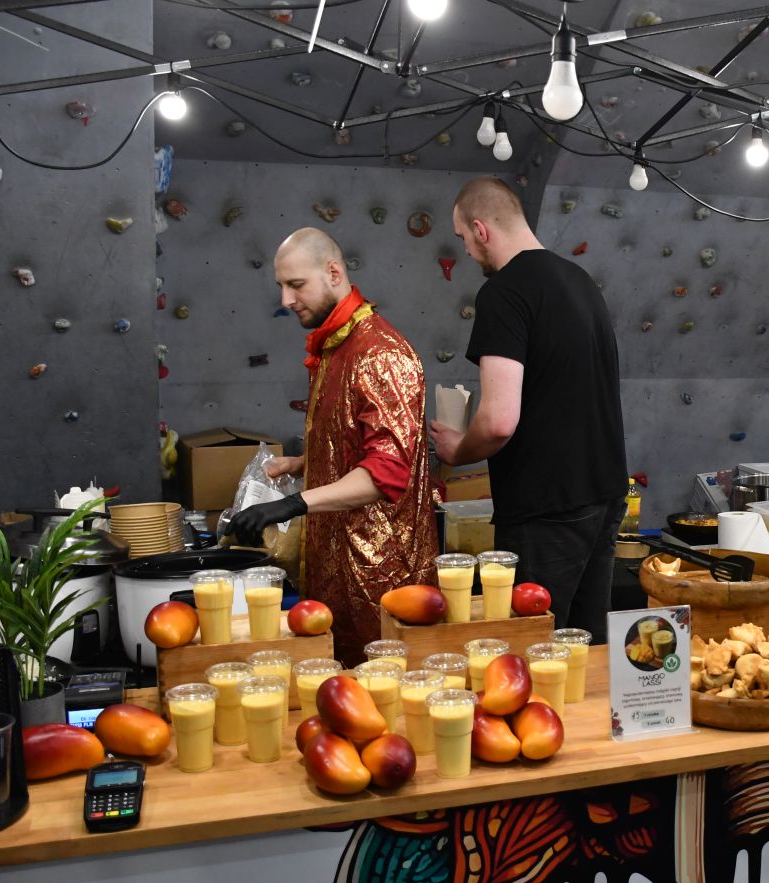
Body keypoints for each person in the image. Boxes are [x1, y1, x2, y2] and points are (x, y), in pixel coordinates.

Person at [223, 228, 437, 663]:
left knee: (378, 687)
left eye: (296, 284)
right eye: (281, 286)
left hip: (379, 575)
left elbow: (385, 474)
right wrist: (305, 462)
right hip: (334, 564)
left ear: (334, 273)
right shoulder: (338, 345)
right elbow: (355, 441)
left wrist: (290, 505)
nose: (286, 299)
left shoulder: (380, 354)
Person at [429, 177, 627, 642]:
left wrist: (458, 450)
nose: (466, 251)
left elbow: (499, 421)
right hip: (604, 494)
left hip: (547, 507)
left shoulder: (504, 292)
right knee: (586, 647)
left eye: (463, 238)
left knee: (532, 650)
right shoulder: (581, 281)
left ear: (481, 229)